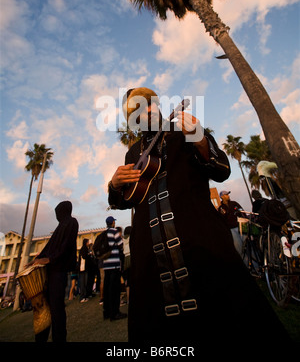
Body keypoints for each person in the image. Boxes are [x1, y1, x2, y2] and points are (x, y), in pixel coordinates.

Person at [108, 87, 291, 344]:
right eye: (135, 110)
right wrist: (115, 184)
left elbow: (221, 170)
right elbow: (123, 200)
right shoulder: (132, 153)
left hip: (201, 246)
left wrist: (201, 141)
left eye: (148, 104)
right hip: (150, 260)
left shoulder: (183, 131)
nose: (145, 111)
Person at [31, 200, 78, 342]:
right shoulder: (60, 227)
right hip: (50, 272)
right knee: (45, 310)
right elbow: (49, 247)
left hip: (59, 272)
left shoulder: (71, 222)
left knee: (57, 310)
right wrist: (37, 259)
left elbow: (66, 245)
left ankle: (59, 338)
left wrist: (50, 259)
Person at [102, 216, 127, 321]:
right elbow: (121, 245)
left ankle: (106, 312)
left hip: (106, 265)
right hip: (115, 264)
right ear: (112, 223)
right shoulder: (114, 231)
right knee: (115, 290)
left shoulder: (104, 233)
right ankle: (115, 313)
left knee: (107, 289)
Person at [218, 190, 244, 255]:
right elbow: (221, 220)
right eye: (226, 195)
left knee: (246, 244)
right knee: (238, 247)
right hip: (231, 229)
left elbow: (242, 211)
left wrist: (239, 212)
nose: (228, 196)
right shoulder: (221, 208)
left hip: (240, 226)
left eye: (228, 194)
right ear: (222, 197)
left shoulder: (234, 203)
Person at [78, 238, 90, 303]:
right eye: (88, 242)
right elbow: (84, 256)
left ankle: (84, 296)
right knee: (83, 283)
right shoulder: (84, 249)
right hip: (83, 268)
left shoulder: (83, 249)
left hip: (83, 268)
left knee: (84, 283)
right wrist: (89, 254)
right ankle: (82, 296)